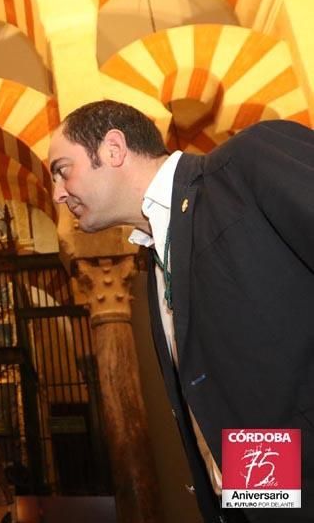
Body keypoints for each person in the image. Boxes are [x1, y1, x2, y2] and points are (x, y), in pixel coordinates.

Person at [48, 99, 314, 523]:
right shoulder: (156, 258)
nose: (58, 192)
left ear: (113, 149)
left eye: (63, 169)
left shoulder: (244, 166)